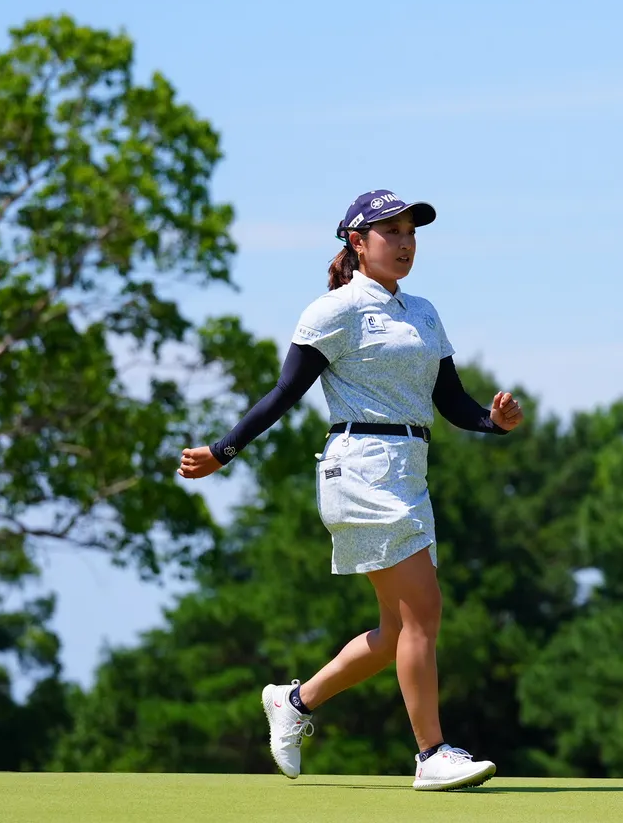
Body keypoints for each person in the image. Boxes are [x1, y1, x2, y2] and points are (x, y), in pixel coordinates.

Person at [176, 189, 523, 792]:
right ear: (357, 243)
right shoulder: (335, 310)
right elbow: (284, 393)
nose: (406, 242)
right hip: (361, 470)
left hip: (409, 471)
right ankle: (432, 753)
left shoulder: (424, 312)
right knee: (424, 612)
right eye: (392, 232)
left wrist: (493, 422)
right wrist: (223, 450)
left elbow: (450, 401)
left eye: (411, 232)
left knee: (396, 633)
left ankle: (294, 702)